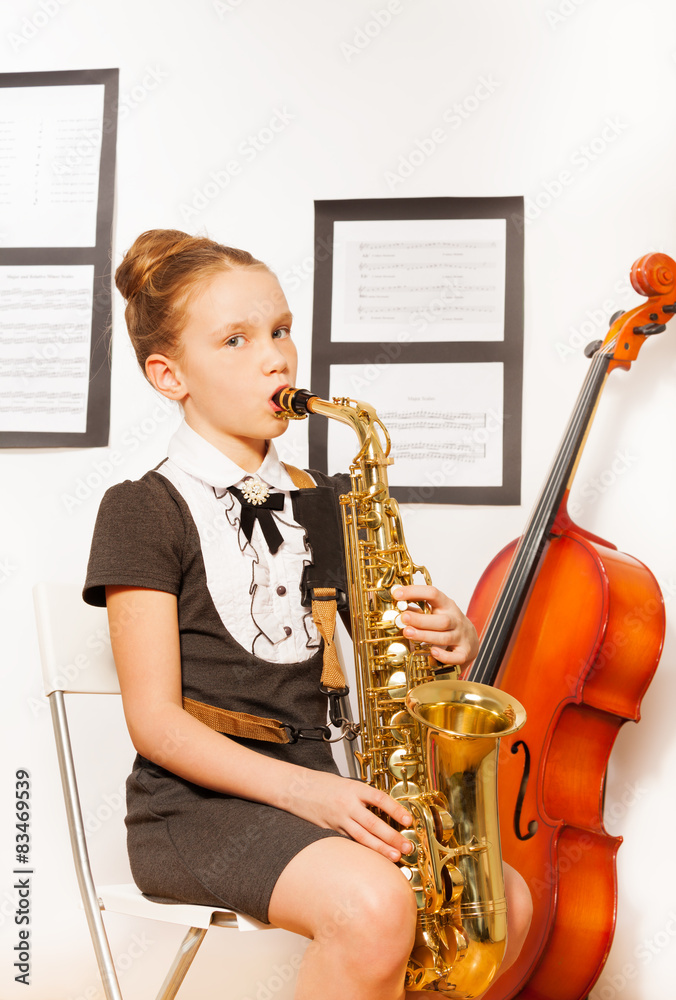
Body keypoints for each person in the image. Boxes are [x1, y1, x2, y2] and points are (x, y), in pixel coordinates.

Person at [83, 229, 531, 1000]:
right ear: (168, 374)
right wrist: (314, 796)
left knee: (505, 902)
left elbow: (401, 668)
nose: (277, 359)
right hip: (193, 812)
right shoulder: (142, 509)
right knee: (374, 904)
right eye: (236, 340)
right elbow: (154, 724)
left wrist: (451, 641)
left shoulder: (328, 501)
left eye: (282, 330)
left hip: (327, 791)